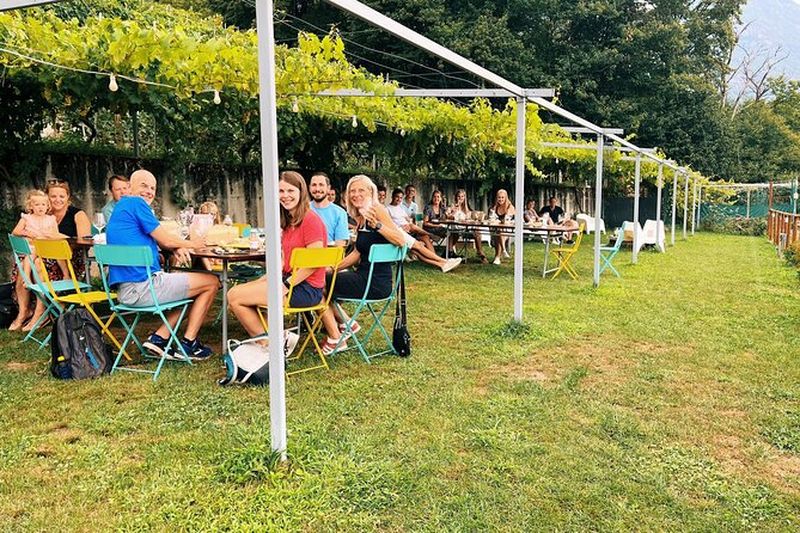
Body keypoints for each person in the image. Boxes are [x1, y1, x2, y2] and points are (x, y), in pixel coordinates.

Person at [106, 169, 219, 360]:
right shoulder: (137, 203)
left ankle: (160, 337)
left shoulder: (121, 207)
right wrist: (192, 244)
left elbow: (157, 239)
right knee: (211, 282)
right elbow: (165, 238)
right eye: (144, 185)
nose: (149, 191)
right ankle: (189, 344)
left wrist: (176, 248)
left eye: (153, 188)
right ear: (129, 187)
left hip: (126, 290)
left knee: (195, 287)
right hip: (143, 286)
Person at [228, 171, 327, 354]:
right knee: (235, 295)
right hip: (290, 279)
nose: (285, 195)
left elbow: (315, 263)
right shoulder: (287, 222)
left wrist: (285, 284)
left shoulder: (311, 220)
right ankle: (273, 342)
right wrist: (265, 280)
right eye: (281, 191)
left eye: (290, 190)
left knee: (235, 297)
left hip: (306, 288)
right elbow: (284, 262)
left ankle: (270, 346)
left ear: (301, 192)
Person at [316, 175, 405, 356]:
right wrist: (333, 268)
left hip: (375, 283)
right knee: (319, 280)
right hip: (364, 277)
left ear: (371, 192)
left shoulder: (377, 211)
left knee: (314, 284)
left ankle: (336, 336)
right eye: (352, 191)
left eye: (361, 190)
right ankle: (348, 324)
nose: (356, 194)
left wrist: (377, 225)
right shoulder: (361, 217)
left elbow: (400, 240)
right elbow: (357, 254)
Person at [8, 190, 65, 330]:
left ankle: (38, 313)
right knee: (30, 256)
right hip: (32, 248)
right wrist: (27, 233)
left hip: (46, 251)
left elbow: (55, 234)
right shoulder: (26, 218)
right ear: (30, 206)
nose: (40, 207)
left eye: (43, 204)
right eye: (37, 204)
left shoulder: (50, 219)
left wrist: (52, 235)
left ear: (47, 206)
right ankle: (25, 305)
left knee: (36, 259)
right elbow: (15, 232)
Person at [309, 172, 350, 247]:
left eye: (321, 185)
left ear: (328, 188)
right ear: (309, 188)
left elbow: (340, 245)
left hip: (329, 256)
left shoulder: (339, 213)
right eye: (314, 185)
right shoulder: (302, 210)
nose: (317, 189)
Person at [451, 188, 488, 263]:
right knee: (476, 231)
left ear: (465, 198)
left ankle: (480, 252)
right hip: (457, 229)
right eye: (459, 196)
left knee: (477, 230)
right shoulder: (453, 206)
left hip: (466, 229)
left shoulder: (466, 207)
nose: (460, 198)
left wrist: (477, 215)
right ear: (456, 197)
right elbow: (451, 217)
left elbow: (471, 217)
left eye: (462, 196)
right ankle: (480, 253)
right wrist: (454, 210)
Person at [423, 189, 458, 256]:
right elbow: (425, 223)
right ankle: (449, 252)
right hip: (429, 229)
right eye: (434, 196)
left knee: (455, 233)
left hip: (439, 229)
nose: (436, 198)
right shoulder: (428, 208)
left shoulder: (442, 208)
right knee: (450, 232)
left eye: (438, 197)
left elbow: (448, 216)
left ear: (441, 198)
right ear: (432, 198)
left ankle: (448, 251)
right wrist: (437, 226)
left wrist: (454, 212)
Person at [490, 189, 516, 265]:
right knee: (499, 232)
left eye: (502, 197)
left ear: (505, 198)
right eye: (499, 197)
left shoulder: (509, 206)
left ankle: (498, 256)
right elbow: (492, 218)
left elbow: (507, 220)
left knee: (499, 232)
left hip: (510, 229)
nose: (500, 199)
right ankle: (503, 252)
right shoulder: (496, 206)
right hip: (499, 230)